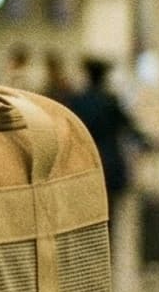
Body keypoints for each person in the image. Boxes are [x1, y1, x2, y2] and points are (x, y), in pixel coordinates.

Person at [61, 57, 144, 203]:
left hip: (83, 162)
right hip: (109, 163)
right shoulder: (110, 101)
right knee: (109, 210)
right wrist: (147, 142)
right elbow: (128, 126)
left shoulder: (77, 100)